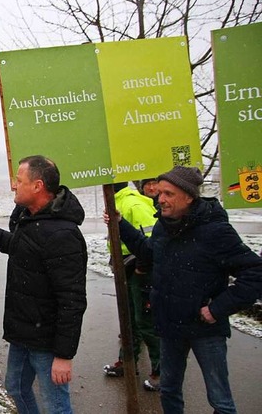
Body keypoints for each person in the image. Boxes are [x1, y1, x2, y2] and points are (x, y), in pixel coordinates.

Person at [107, 166, 262, 413]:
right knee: (168, 390)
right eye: (159, 194)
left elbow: (255, 273)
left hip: (206, 329)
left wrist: (216, 309)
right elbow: (148, 252)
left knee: (220, 399)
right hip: (171, 326)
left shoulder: (215, 231)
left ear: (189, 196)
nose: (160, 200)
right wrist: (120, 224)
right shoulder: (164, 226)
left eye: (168, 194)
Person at [0, 155, 87, 414]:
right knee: (15, 387)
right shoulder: (32, 219)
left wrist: (63, 356)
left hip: (47, 340)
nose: (14, 185)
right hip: (24, 333)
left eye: (19, 180)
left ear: (37, 186)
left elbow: (72, 299)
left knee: (56, 405)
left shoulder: (62, 234)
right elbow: (17, 247)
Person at [102, 182, 161, 392]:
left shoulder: (133, 204)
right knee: (128, 319)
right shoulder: (117, 201)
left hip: (139, 270)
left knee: (145, 321)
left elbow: (153, 243)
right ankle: (127, 362)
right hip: (127, 268)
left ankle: (161, 370)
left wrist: (141, 269)